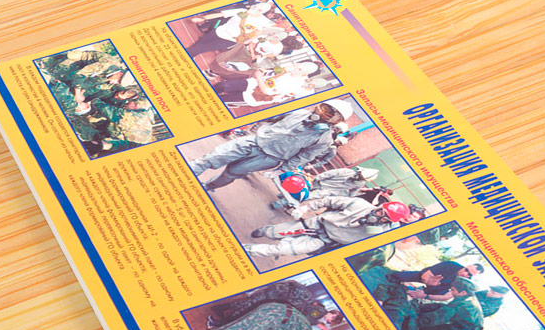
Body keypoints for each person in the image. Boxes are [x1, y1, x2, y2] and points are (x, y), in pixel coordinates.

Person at [187, 99, 354, 190]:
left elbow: (304, 157)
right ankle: (185, 176)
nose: (322, 113)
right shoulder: (298, 113)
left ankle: (209, 186)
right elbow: (271, 117)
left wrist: (281, 170)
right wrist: (253, 126)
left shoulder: (324, 140)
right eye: (323, 108)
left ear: (336, 121)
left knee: (231, 173)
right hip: (254, 141)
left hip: (269, 158)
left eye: (329, 114)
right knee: (212, 158)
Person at [245, 197, 424, 258]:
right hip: (314, 224)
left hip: (324, 241)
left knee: (280, 250)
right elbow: (329, 201)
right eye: (379, 212)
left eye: (383, 218)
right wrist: (305, 208)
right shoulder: (360, 204)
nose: (377, 216)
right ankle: (265, 231)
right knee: (273, 232)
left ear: (388, 222)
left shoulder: (380, 234)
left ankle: (245, 250)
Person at [186, 0, 275, 57]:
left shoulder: (263, 21)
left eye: (259, 10)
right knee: (198, 46)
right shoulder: (242, 11)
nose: (254, 9)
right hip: (219, 32)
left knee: (198, 49)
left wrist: (248, 40)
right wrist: (202, 18)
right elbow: (220, 14)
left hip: (229, 40)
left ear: (263, 12)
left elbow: (259, 32)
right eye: (255, 7)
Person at [387, 261, 484, 300]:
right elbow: (425, 276)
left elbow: (447, 296)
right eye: (466, 270)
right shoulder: (450, 265)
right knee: (396, 276)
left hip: (438, 288)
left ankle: (418, 291)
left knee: (441, 293)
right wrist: (429, 283)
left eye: (469, 275)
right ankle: (411, 285)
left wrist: (425, 296)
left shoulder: (465, 282)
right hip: (426, 278)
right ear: (466, 266)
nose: (465, 274)